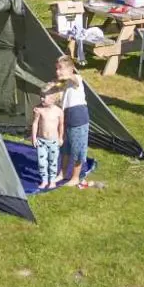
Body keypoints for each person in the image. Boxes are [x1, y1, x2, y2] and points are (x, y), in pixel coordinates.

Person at [54, 55, 93, 188]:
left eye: (60, 69)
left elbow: (74, 79)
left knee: (77, 149)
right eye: (56, 69)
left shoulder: (77, 79)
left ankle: (75, 177)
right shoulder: (63, 85)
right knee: (65, 148)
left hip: (78, 117)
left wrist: (68, 76)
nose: (57, 71)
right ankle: (63, 173)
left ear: (71, 70)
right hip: (67, 117)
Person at [28, 84, 64, 191]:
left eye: (45, 97)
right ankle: (44, 180)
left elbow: (61, 125)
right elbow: (35, 124)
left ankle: (52, 180)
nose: (42, 98)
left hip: (53, 141)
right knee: (42, 162)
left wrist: (61, 138)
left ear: (54, 99)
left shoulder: (58, 111)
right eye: (41, 96)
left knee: (53, 161)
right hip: (41, 141)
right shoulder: (39, 109)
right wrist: (34, 137)